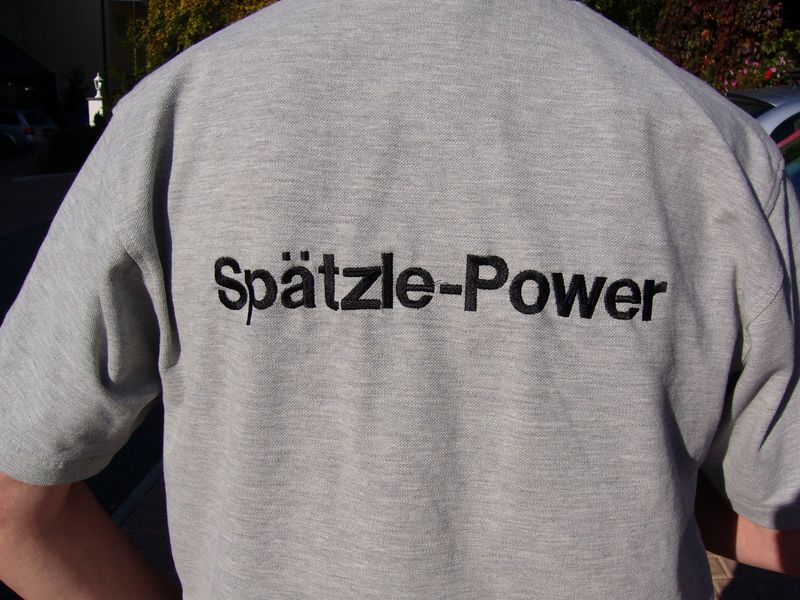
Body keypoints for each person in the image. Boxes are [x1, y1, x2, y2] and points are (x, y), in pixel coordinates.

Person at [1, 1, 799, 597]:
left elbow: (15, 506)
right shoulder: (708, 145)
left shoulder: (180, 116)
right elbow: (783, 517)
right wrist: (648, 486)